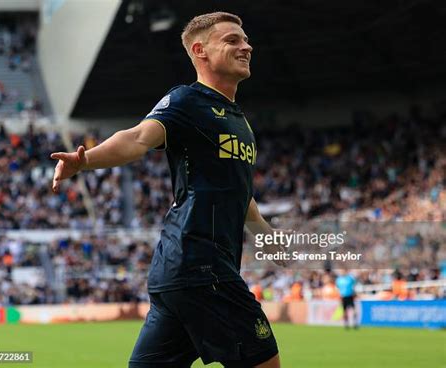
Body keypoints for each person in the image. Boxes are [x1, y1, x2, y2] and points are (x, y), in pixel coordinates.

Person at [51, 12, 280, 367]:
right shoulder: (187, 100)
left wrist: (267, 236)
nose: (246, 46)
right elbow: (138, 137)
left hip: (183, 274)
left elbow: (239, 191)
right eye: (233, 40)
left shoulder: (239, 120)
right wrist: (86, 161)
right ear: (200, 50)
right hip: (202, 266)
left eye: (245, 39)